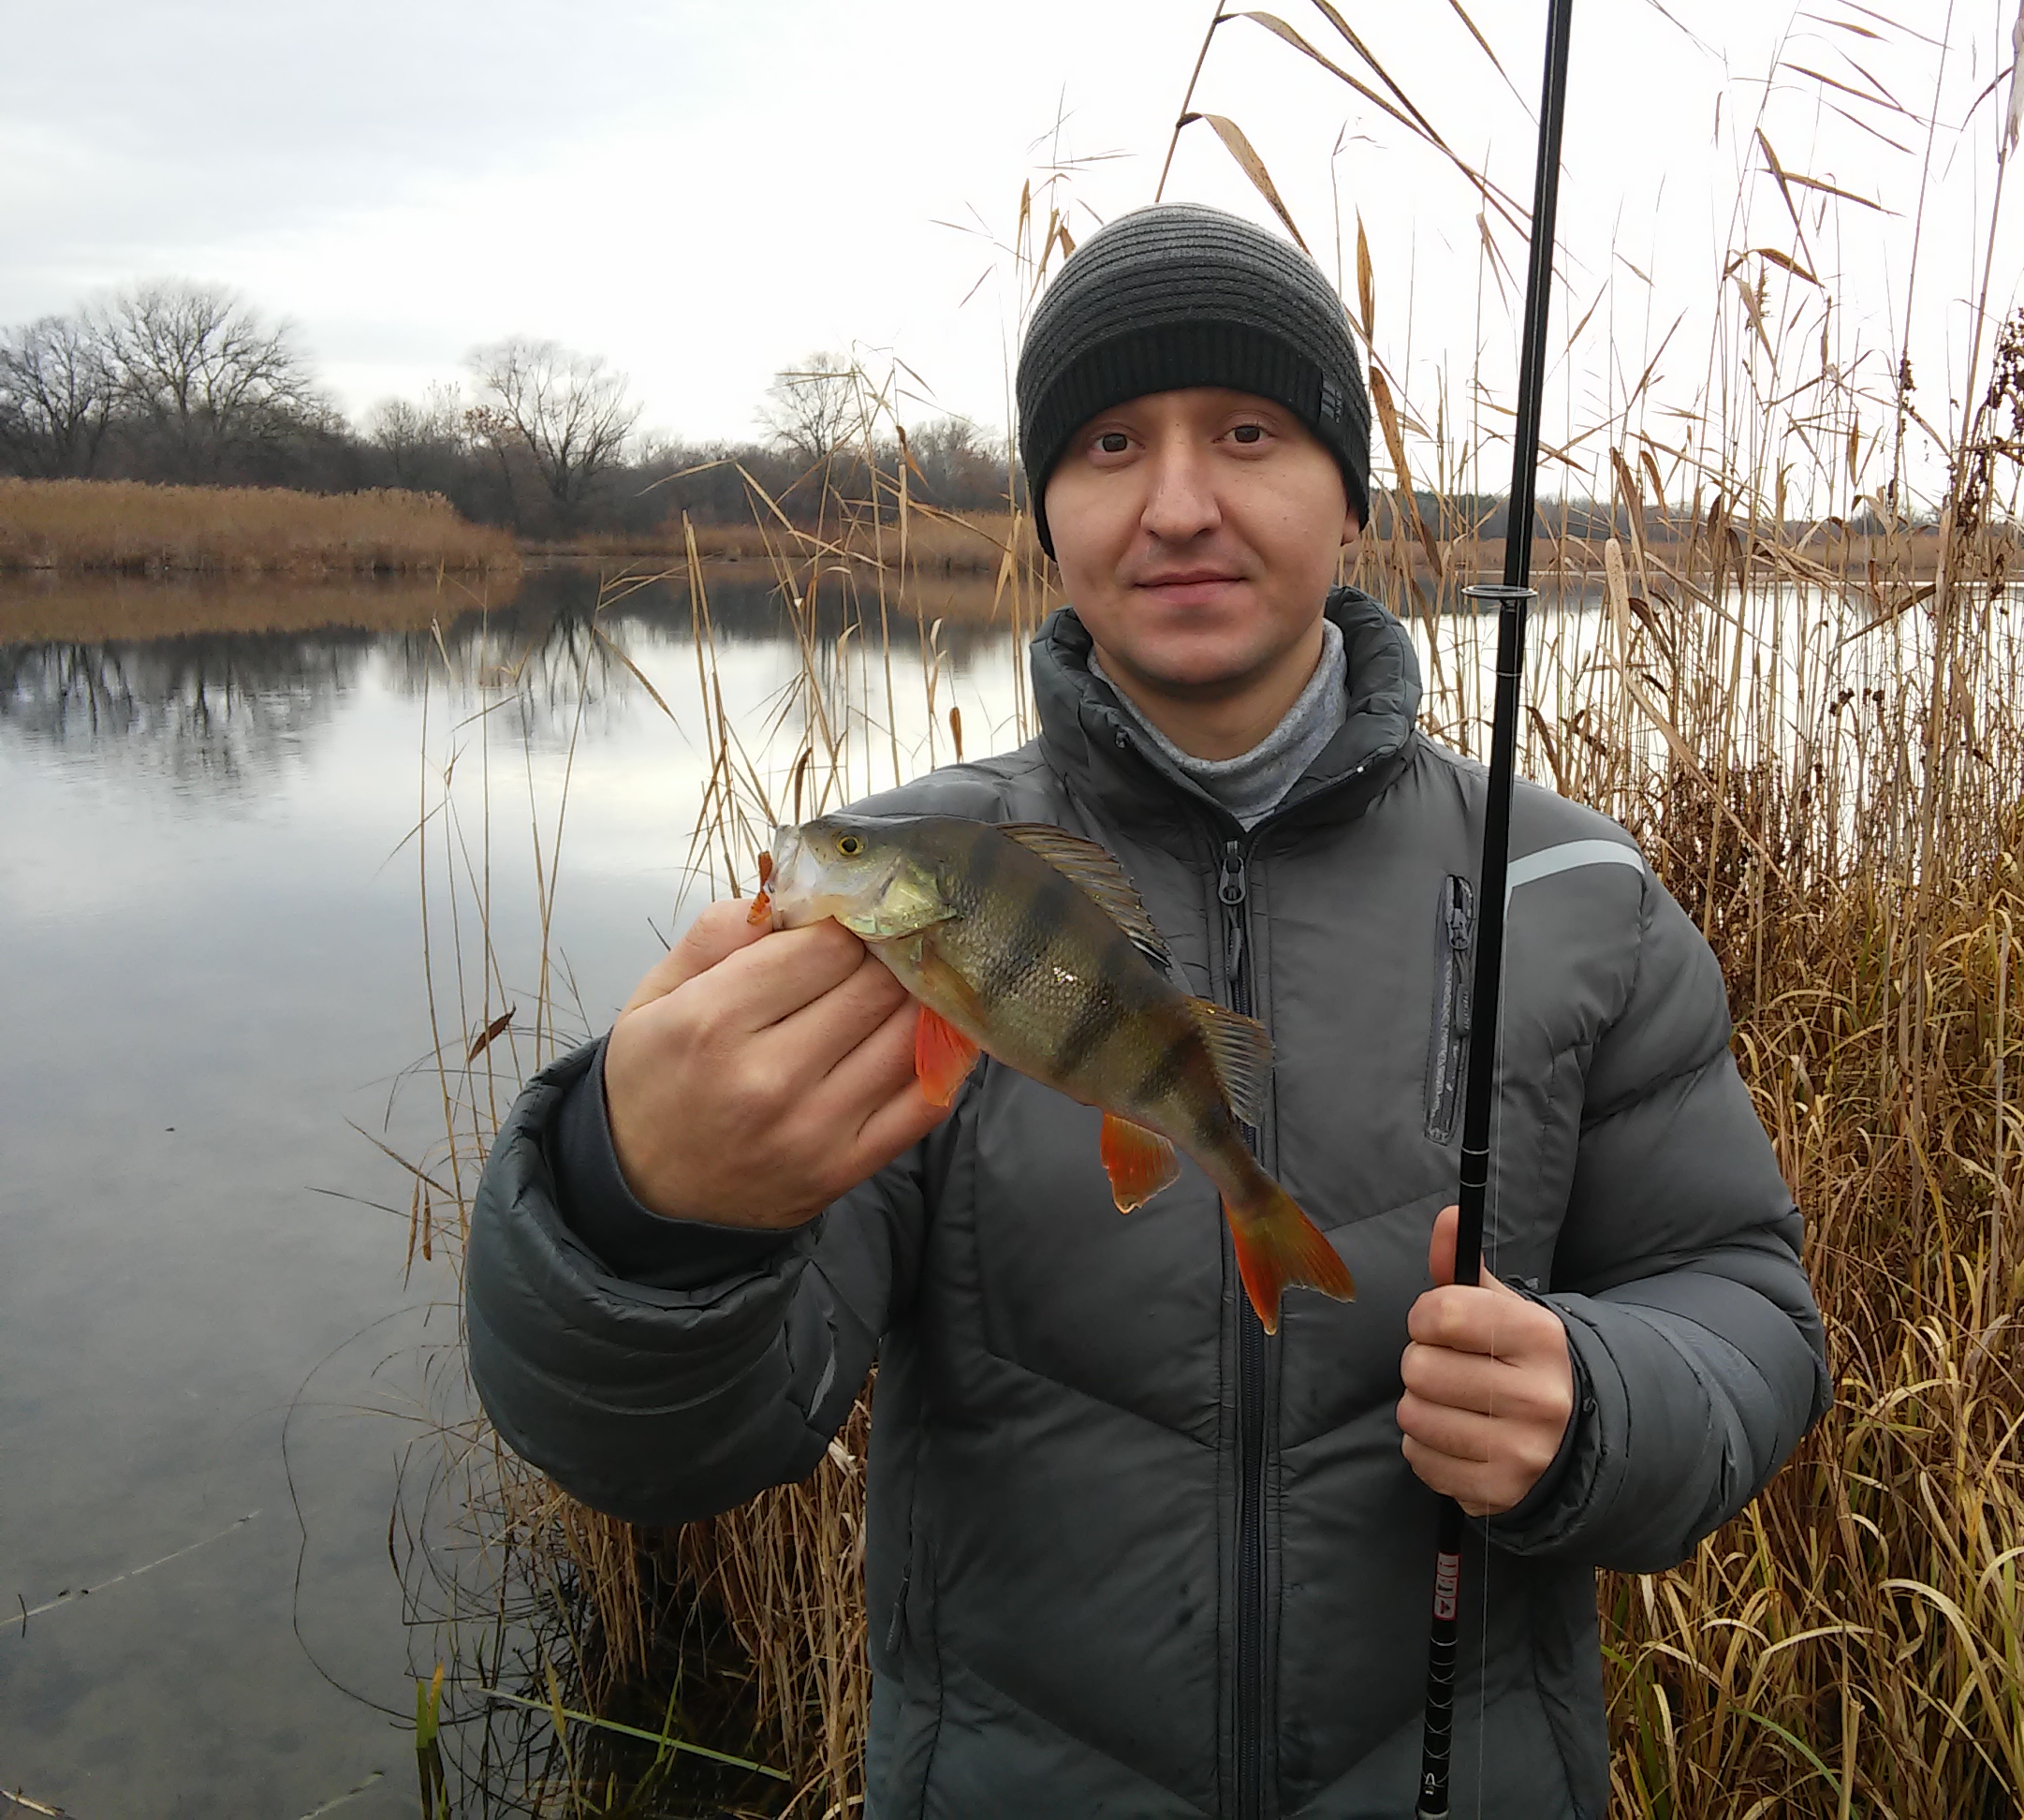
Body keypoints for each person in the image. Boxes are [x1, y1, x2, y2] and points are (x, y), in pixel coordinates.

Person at [465, 203, 1829, 1817]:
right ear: (1048, 509)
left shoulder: (1573, 887)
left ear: (1348, 491)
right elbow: (668, 1450)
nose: (1178, 503)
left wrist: (1593, 1405)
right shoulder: (905, 893)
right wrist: (641, 1207)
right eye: (1110, 443)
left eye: (1248, 432)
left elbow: (1745, 1305)